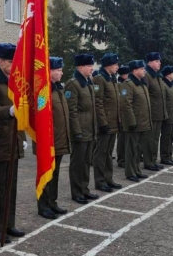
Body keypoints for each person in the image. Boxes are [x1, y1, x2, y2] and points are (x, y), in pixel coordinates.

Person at [0, 43, 27, 243]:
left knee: (12, 185)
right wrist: (9, 111)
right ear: (0, 62)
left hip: (14, 140)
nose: (14, 65)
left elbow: (22, 113)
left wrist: (22, 138)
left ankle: (9, 223)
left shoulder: (15, 80)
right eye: (11, 62)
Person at [36, 57, 70, 220]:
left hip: (59, 139)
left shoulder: (57, 89)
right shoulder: (43, 91)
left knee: (55, 174)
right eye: (59, 70)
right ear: (50, 71)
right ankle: (43, 205)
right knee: (46, 173)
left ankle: (52, 202)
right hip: (48, 141)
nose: (62, 72)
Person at [65, 54, 99, 204]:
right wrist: (76, 131)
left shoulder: (88, 82)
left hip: (90, 129)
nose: (92, 68)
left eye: (91, 66)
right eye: (88, 66)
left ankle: (85, 189)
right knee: (78, 163)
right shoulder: (73, 84)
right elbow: (71, 110)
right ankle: (76, 192)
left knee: (86, 162)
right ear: (80, 67)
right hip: (80, 130)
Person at [93, 53, 122, 193]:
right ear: (108, 65)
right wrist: (102, 123)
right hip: (105, 124)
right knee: (101, 152)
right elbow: (98, 103)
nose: (117, 67)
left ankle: (108, 178)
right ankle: (100, 181)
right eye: (115, 64)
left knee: (109, 152)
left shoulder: (112, 79)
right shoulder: (100, 79)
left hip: (113, 122)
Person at [120, 60, 151, 182]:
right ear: (134, 70)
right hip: (134, 123)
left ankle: (137, 170)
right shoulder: (128, 84)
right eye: (142, 69)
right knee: (131, 149)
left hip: (143, 122)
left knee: (138, 149)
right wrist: (131, 122)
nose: (144, 71)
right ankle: (130, 172)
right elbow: (126, 104)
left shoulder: (141, 84)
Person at [143, 52, 167, 171]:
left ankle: (153, 160)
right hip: (151, 113)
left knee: (155, 138)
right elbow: (144, 95)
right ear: (150, 62)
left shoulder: (157, 75)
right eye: (157, 61)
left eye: (159, 61)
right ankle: (148, 161)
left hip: (158, 113)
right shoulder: (147, 75)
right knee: (149, 139)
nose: (159, 63)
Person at [160, 66, 173, 165]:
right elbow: (163, 102)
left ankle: (169, 155)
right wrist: (165, 115)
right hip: (168, 117)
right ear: (168, 74)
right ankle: (164, 157)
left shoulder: (172, 85)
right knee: (166, 137)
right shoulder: (164, 85)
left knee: (171, 137)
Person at [116, 65, 131, 168]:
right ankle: (121, 159)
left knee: (127, 139)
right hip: (121, 115)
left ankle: (126, 158)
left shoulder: (126, 84)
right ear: (123, 75)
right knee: (122, 140)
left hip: (126, 115)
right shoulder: (119, 85)